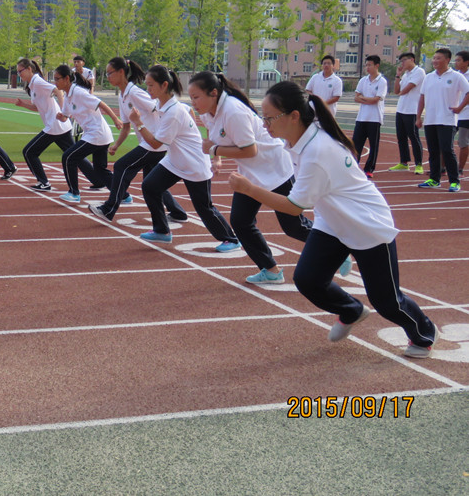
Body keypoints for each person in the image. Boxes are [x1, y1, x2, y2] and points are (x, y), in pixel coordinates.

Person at [229, 81, 438, 358]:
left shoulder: (317, 151)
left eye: (269, 118)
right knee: (308, 279)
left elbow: (293, 207)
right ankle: (350, 309)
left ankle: (423, 335)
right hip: (333, 222)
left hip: (366, 225)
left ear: (294, 116)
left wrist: (249, 189)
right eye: (262, 117)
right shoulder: (300, 138)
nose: (265, 124)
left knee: (387, 302)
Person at [188, 71, 316, 284]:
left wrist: (215, 152)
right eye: (190, 97)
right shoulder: (208, 113)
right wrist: (216, 156)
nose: (193, 102)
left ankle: (334, 248)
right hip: (251, 173)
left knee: (292, 226)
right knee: (240, 221)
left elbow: (250, 150)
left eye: (196, 97)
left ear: (213, 93)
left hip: (274, 168)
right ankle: (271, 270)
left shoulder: (233, 111)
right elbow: (218, 141)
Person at [124, 65, 239, 248]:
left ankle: (231, 239)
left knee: (204, 207)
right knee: (150, 186)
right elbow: (188, 111)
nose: (148, 89)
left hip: (193, 163)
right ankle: (162, 230)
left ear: (164, 86)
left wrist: (138, 123)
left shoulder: (173, 112)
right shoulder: (164, 105)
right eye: (146, 85)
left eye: (151, 85)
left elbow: (155, 144)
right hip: (174, 160)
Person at [87, 57, 188, 223]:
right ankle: (178, 213)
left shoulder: (135, 93)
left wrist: (159, 130)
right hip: (149, 144)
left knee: (121, 167)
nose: (108, 76)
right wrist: (116, 145)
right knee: (152, 183)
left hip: (154, 144)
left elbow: (158, 108)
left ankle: (109, 209)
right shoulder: (123, 96)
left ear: (121, 72)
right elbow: (126, 126)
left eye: (110, 73)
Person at [14, 58, 86, 191]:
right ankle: (98, 180)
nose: (19, 74)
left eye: (20, 71)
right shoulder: (33, 85)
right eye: (18, 72)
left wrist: (64, 112)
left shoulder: (38, 82)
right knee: (76, 155)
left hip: (54, 126)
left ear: (29, 69)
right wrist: (23, 104)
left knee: (29, 152)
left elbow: (58, 91)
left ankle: (44, 182)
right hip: (59, 127)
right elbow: (38, 107)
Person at [54, 64, 122, 203]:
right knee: (100, 170)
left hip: (96, 134)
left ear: (67, 79)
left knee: (68, 157)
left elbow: (100, 103)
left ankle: (74, 193)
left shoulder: (79, 92)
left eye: (57, 79)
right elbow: (66, 115)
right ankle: (124, 195)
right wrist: (62, 117)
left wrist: (115, 118)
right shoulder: (67, 96)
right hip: (97, 135)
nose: (55, 82)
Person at [416, 48, 469, 192]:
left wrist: (459, 108)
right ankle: (434, 179)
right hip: (430, 119)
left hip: (447, 120)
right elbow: (422, 97)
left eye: (438, 58)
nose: (434, 61)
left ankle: (454, 181)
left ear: (447, 60)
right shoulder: (429, 77)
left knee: (447, 149)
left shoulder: (457, 77)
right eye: (433, 58)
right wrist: (418, 116)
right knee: (433, 151)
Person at [389, 52, 427, 174]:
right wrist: (398, 75)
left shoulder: (419, 72)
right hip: (401, 109)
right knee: (401, 137)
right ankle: (404, 162)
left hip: (412, 110)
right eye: (400, 61)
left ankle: (419, 164)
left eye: (404, 60)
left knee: (414, 137)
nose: (402, 63)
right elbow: (396, 90)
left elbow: (406, 90)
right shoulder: (405, 74)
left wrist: (401, 92)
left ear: (412, 59)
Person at [351, 54, 387, 179]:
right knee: (356, 145)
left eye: (370, 65)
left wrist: (364, 98)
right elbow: (356, 97)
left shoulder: (382, 81)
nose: (367, 67)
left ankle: (369, 168)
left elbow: (376, 100)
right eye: (366, 65)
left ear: (377, 65)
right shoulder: (363, 80)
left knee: (373, 145)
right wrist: (367, 99)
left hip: (374, 118)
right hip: (361, 118)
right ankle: (353, 167)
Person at [453, 50, 469, 177]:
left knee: (463, 142)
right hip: (452, 114)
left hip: (466, 115)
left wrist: (461, 107)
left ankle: (459, 169)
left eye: (458, 60)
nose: (455, 62)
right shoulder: (454, 75)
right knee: (445, 141)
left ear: (466, 62)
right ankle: (441, 168)